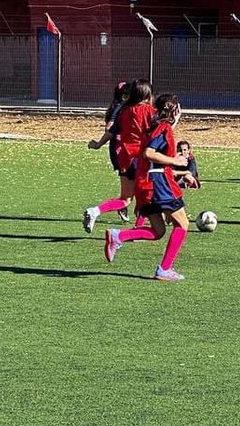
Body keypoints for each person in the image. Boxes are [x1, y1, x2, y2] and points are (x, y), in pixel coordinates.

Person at [104, 93, 195, 281]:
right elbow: (148, 152)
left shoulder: (154, 127)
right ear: (174, 110)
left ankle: (118, 236)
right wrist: (175, 160)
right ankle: (164, 269)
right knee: (183, 224)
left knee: (158, 231)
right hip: (160, 183)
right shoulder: (163, 129)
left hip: (146, 182)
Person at [84, 79, 155, 232]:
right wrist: (174, 121)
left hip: (125, 158)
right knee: (147, 195)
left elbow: (110, 131)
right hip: (141, 158)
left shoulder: (124, 111)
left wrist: (98, 144)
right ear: (147, 94)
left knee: (126, 198)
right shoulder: (149, 112)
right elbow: (159, 131)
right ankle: (138, 228)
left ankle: (95, 211)